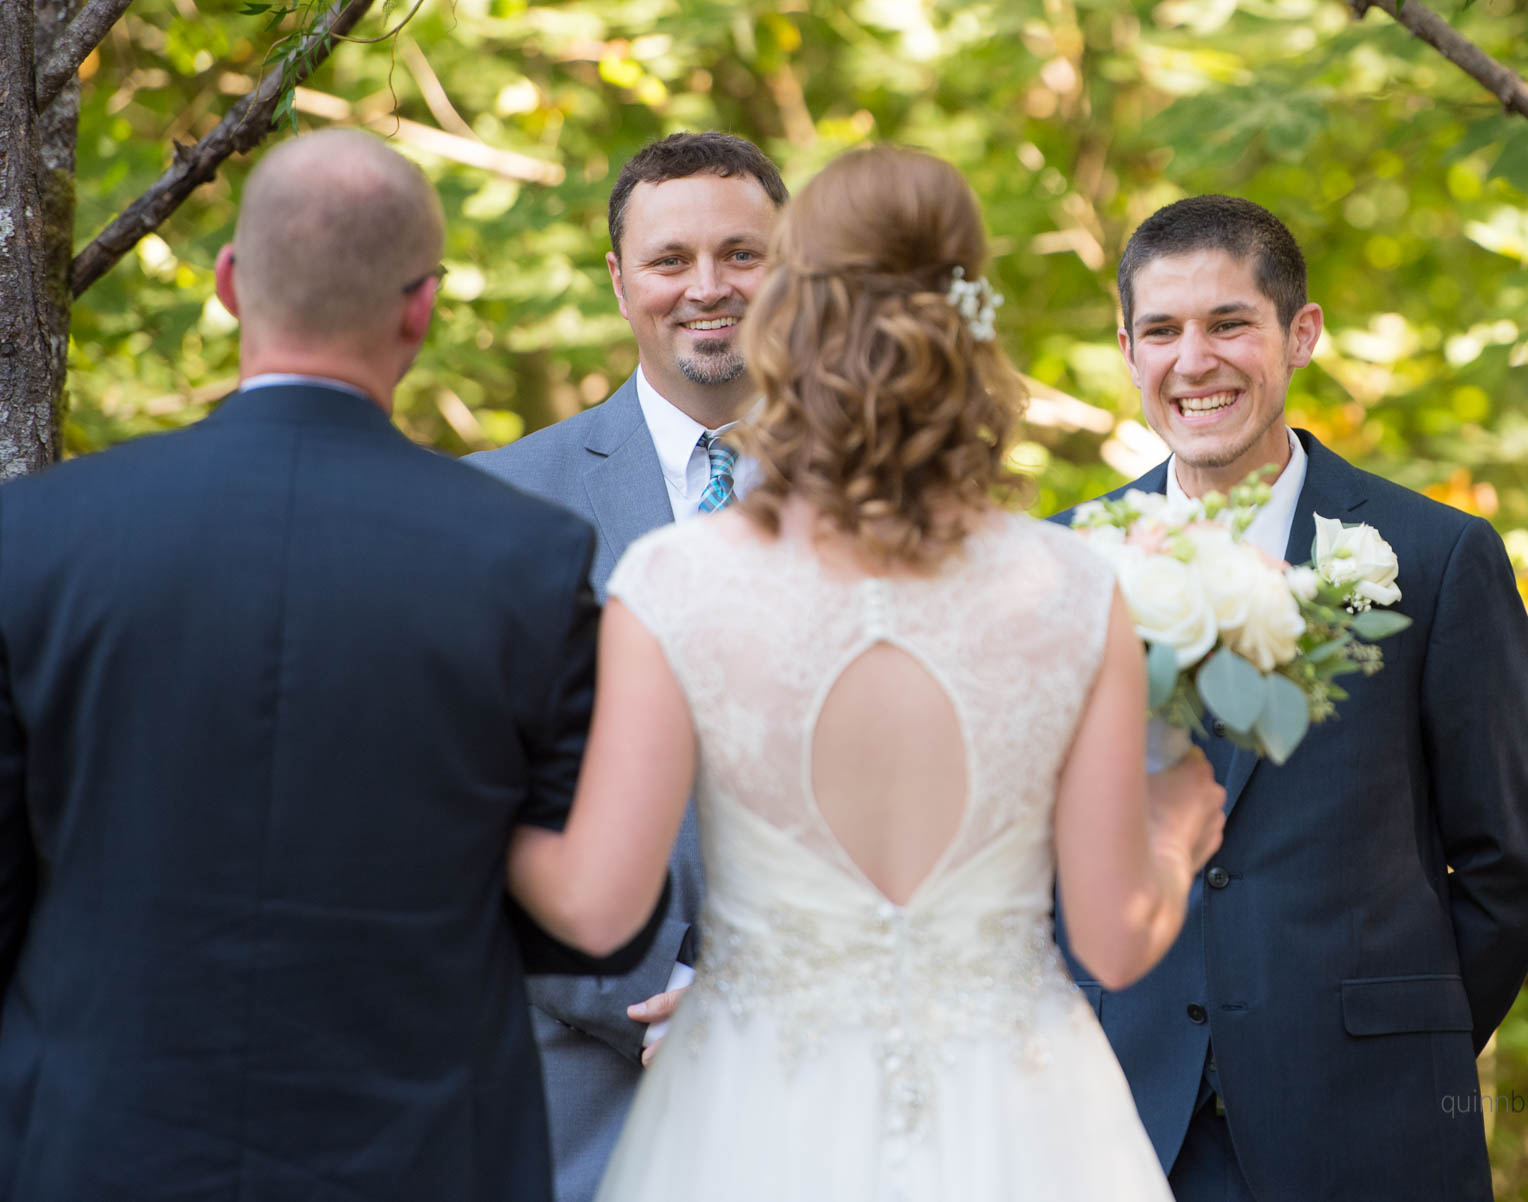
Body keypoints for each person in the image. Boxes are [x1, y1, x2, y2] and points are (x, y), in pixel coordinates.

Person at [504, 145, 1227, 1201]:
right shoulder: (1073, 582)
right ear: (966, 318)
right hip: (1022, 1127)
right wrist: (1175, 832)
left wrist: (473, 813)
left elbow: (599, 903)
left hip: (750, 1118)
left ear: (787, 314)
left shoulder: (681, 579)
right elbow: (1117, 942)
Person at [0, 129, 618, 1202]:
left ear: (231, 283)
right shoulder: (528, 557)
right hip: (422, 1147)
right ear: (421, 306)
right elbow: (587, 916)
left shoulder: (39, 535)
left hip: (103, 1140)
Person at [1054, 195, 1528, 1201]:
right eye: (1161, 330)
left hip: (1370, 1125)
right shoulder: (1058, 559)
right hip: (1112, 1119)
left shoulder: (1433, 558)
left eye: (1228, 323)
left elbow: (1516, 861)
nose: (1193, 360)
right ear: (1127, 349)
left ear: (1301, 334)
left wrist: (1397, 1039)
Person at [465, 130, 786, 1202]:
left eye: (743, 254)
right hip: (582, 1103)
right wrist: (669, 996)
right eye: (669, 259)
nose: (708, 288)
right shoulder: (497, 507)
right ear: (619, 279)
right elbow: (467, 798)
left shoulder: (894, 508)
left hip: (840, 1094)